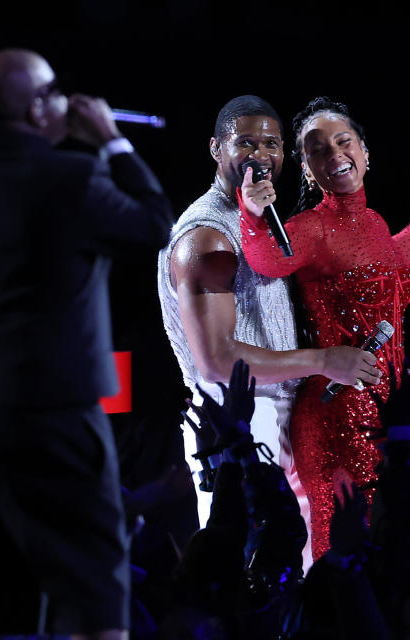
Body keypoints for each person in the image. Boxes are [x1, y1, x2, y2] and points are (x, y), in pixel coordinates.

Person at [0, 48, 173, 639]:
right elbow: (152, 226)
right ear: (40, 106)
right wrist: (111, 142)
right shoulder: (72, 177)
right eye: (53, 91)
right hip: (58, 413)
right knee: (94, 582)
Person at [238, 96, 410, 559]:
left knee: (407, 548)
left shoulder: (372, 220)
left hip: (389, 416)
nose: (335, 155)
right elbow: (266, 258)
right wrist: (251, 213)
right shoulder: (311, 228)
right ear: (307, 169)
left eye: (343, 143)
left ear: (365, 152)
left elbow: (388, 262)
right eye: (318, 150)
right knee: (345, 561)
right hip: (336, 418)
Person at [156, 96, 380, 565]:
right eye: (246, 143)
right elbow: (217, 361)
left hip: (279, 410)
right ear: (217, 149)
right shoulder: (206, 235)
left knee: (300, 568)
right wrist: (324, 360)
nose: (260, 155)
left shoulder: (259, 221)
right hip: (238, 418)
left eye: (272, 144)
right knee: (255, 574)